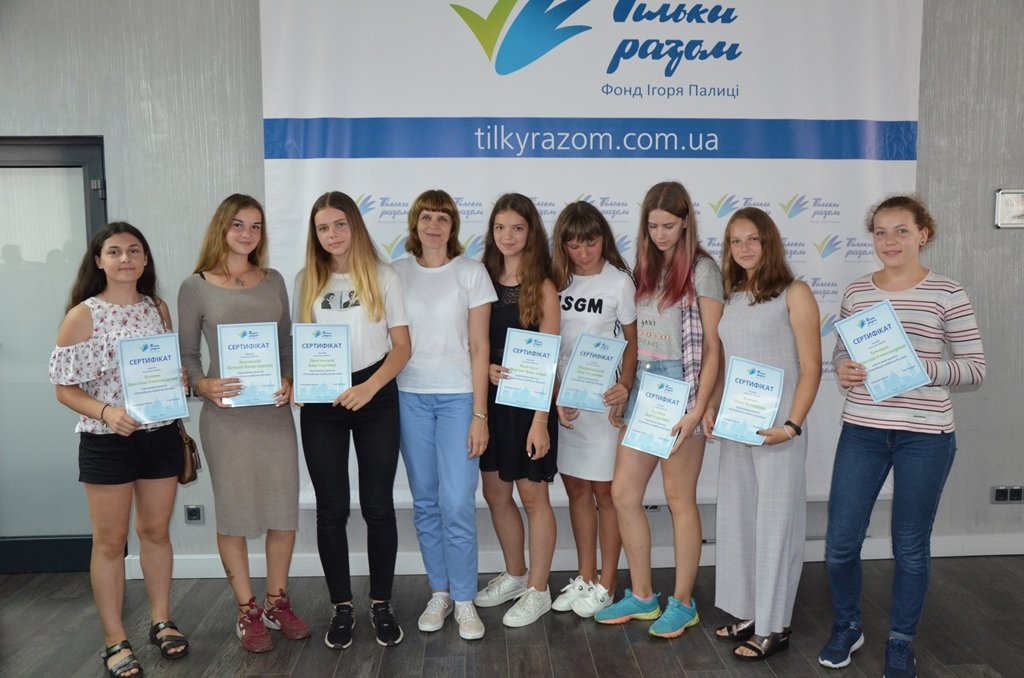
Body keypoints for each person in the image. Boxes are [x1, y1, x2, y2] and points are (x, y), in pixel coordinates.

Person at [817, 196, 985, 678]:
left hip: (925, 435)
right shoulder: (857, 293)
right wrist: (844, 369)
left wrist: (918, 366)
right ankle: (848, 626)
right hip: (863, 430)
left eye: (901, 231)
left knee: (910, 545)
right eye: (881, 232)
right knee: (840, 543)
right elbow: (841, 355)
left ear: (922, 235)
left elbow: (974, 368)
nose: (889, 241)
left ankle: (900, 640)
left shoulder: (948, 292)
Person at [50, 222, 189, 678]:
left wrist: (177, 380)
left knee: (156, 532)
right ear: (99, 261)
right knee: (110, 543)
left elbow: (165, 370)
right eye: (114, 251)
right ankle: (114, 640)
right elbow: (64, 388)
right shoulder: (83, 315)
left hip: (160, 436)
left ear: (145, 259)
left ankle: (161, 620)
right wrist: (107, 412)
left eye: (134, 250)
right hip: (106, 441)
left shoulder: (157, 308)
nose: (125, 258)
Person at [177, 194, 309, 653]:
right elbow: (187, 355)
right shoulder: (195, 286)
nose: (247, 234)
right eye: (238, 224)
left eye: (255, 226)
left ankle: (277, 602)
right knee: (234, 514)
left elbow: (287, 344)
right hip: (227, 419)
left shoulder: (273, 280)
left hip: (273, 415)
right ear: (222, 227)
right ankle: (247, 610)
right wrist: (202, 385)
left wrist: (290, 379)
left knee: (282, 510)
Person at [595, 180, 724, 638]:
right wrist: (626, 388)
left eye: (669, 225)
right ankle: (644, 596)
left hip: (683, 388)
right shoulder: (644, 267)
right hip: (645, 388)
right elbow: (635, 339)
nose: (661, 234)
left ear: (686, 222)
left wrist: (700, 406)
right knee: (623, 493)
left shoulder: (704, 270)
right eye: (653, 226)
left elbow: (714, 346)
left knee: (678, 497)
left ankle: (684, 602)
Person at [293, 191, 411, 649]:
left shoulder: (384, 275)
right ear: (315, 235)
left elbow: (402, 347)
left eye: (339, 224)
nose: (332, 234)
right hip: (323, 400)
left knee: (378, 505)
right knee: (331, 509)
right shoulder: (307, 278)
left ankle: (381, 604)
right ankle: (341, 606)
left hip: (374, 394)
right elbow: (303, 342)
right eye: (323, 228)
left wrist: (369, 388)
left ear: (355, 225)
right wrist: (301, 383)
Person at [702, 207, 821, 661]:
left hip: (778, 429)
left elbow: (811, 367)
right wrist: (712, 405)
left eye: (753, 238)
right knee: (738, 521)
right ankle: (750, 612)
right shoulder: (733, 297)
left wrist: (792, 426)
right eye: (735, 240)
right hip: (738, 425)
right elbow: (728, 362)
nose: (744, 248)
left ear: (769, 241)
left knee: (775, 527)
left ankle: (775, 626)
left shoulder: (795, 292)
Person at [394, 190, 495, 640]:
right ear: (415, 223)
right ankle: (440, 592)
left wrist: (480, 414)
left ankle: (465, 599)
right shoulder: (395, 273)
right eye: (426, 218)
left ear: (453, 225)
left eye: (442, 218)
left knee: (456, 503)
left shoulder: (471, 273)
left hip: (458, 399)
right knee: (426, 502)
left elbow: (480, 347)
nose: (433, 226)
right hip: (409, 398)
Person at [474, 193, 561, 628]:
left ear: (531, 232)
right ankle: (515, 574)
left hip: (529, 408)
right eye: (500, 227)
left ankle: (538, 590)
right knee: (495, 493)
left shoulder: (542, 286)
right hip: (489, 403)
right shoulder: (481, 279)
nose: (507, 236)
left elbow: (549, 357)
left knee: (533, 497)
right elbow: (471, 341)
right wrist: (485, 368)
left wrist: (541, 422)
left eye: (517, 228)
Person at [547, 201, 637, 618]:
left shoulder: (619, 282)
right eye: (574, 245)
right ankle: (585, 575)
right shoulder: (554, 282)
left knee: (606, 494)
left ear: (604, 239)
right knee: (577, 491)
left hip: (604, 407)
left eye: (591, 242)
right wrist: (556, 394)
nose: (584, 253)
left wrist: (625, 386)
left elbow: (633, 343)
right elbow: (549, 344)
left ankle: (608, 581)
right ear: (562, 245)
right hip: (568, 405)